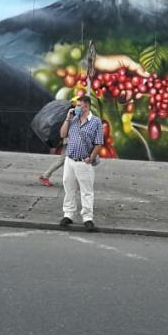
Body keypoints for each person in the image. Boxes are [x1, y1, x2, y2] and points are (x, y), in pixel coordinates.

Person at [58, 93, 104, 232]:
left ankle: (87, 217)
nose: (76, 108)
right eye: (76, 105)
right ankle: (68, 214)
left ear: (87, 107)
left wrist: (91, 157)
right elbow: (62, 134)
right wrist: (67, 118)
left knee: (86, 191)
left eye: (79, 106)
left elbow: (99, 143)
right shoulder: (73, 120)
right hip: (70, 160)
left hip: (84, 162)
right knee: (69, 187)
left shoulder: (96, 122)